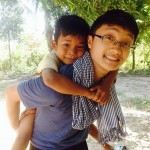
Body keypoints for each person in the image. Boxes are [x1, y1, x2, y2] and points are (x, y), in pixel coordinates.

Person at [5, 9, 139, 150]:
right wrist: (18, 128)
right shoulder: (56, 84)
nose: (116, 48)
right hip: (46, 147)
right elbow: (11, 93)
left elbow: (81, 118)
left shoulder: (104, 79)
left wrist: (106, 84)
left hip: (78, 143)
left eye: (125, 43)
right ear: (90, 41)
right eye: (109, 38)